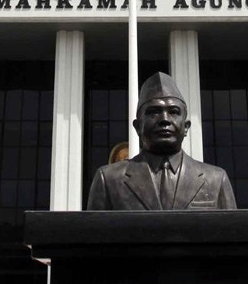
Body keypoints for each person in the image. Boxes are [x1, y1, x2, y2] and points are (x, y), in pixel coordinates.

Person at [86, 72, 237, 210]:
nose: (164, 119)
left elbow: (233, 235)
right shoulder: (109, 179)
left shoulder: (216, 180)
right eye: (154, 112)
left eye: (173, 112)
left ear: (186, 127)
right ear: (138, 127)